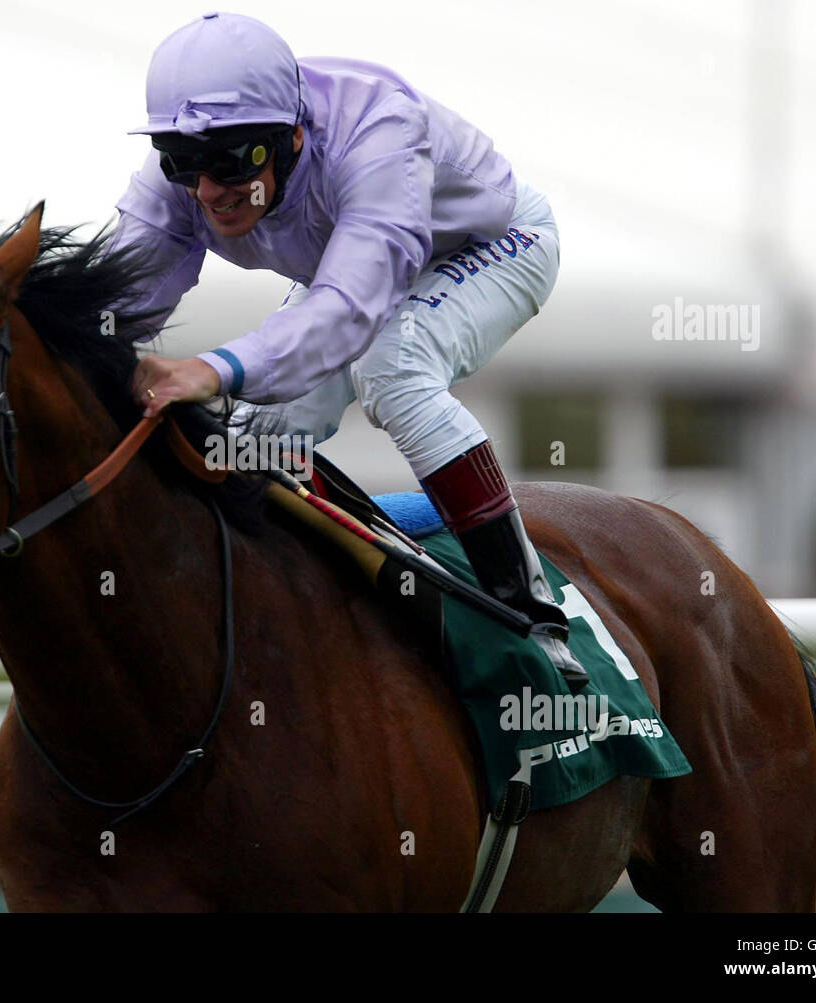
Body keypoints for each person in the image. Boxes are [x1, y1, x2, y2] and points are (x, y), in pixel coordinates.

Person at [110, 12, 586, 686]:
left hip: (496, 245)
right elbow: (112, 307)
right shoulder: (188, 179)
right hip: (357, 268)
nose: (209, 188)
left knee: (393, 367)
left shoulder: (378, 129)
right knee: (251, 438)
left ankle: (531, 613)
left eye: (232, 160)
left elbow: (350, 308)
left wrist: (214, 369)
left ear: (293, 138)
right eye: (184, 162)